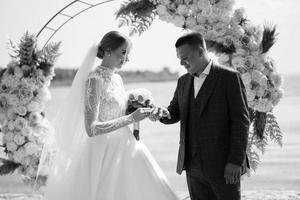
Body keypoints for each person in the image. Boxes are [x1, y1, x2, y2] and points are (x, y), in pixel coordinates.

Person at [42, 31, 179, 200]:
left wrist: (143, 112)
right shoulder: (94, 80)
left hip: (127, 144)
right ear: (107, 50)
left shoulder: (117, 79)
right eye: (123, 52)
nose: (127, 59)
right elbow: (91, 129)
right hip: (103, 151)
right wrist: (131, 118)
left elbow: (118, 112)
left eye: (128, 54)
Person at [150, 32, 250, 200]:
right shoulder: (182, 82)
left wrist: (235, 161)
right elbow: (173, 113)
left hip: (224, 165)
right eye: (179, 59)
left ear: (201, 51)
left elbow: (241, 122)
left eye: (185, 58)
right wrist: (159, 112)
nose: (181, 63)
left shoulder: (230, 78)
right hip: (192, 166)